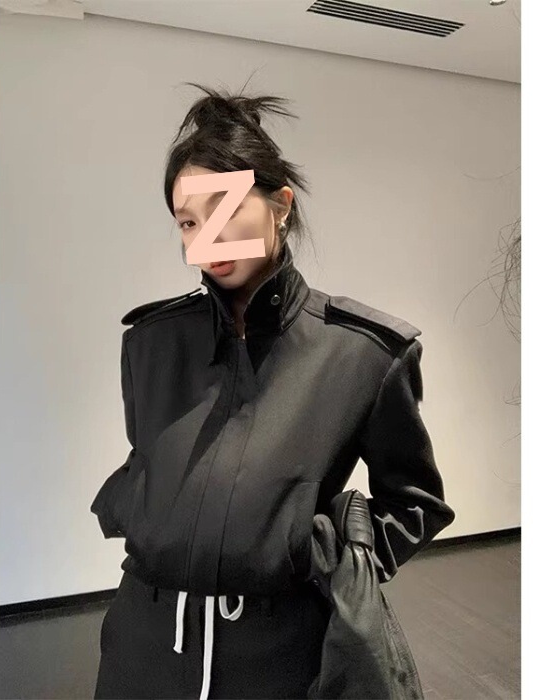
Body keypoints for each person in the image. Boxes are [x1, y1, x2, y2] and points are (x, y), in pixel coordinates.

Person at [90, 80, 456, 700]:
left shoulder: (363, 352)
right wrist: (143, 508)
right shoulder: (151, 342)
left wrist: (332, 555)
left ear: (280, 205)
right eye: (189, 221)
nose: (206, 240)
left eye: (226, 211)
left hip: (285, 654)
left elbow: (416, 501)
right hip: (143, 642)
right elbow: (143, 455)